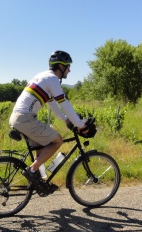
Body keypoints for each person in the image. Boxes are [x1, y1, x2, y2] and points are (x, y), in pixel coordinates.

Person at [9, 50, 88, 192]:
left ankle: (38, 181)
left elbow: (53, 105)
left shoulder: (43, 77)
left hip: (20, 117)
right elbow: (64, 103)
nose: (69, 70)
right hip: (25, 118)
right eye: (68, 66)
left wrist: (65, 120)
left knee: (40, 146)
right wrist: (80, 124)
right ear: (60, 66)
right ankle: (31, 171)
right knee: (57, 141)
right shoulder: (52, 79)